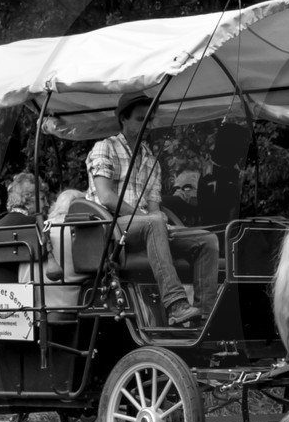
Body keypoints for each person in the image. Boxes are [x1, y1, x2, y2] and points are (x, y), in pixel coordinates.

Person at [86, 103, 219, 325]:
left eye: (149, 120)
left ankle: (204, 317)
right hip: (110, 227)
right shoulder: (105, 147)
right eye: (140, 119)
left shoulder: (150, 159)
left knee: (207, 240)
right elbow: (106, 198)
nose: (147, 125)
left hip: (146, 228)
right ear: (123, 119)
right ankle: (176, 305)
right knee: (154, 222)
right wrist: (147, 217)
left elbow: (155, 208)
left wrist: (158, 221)